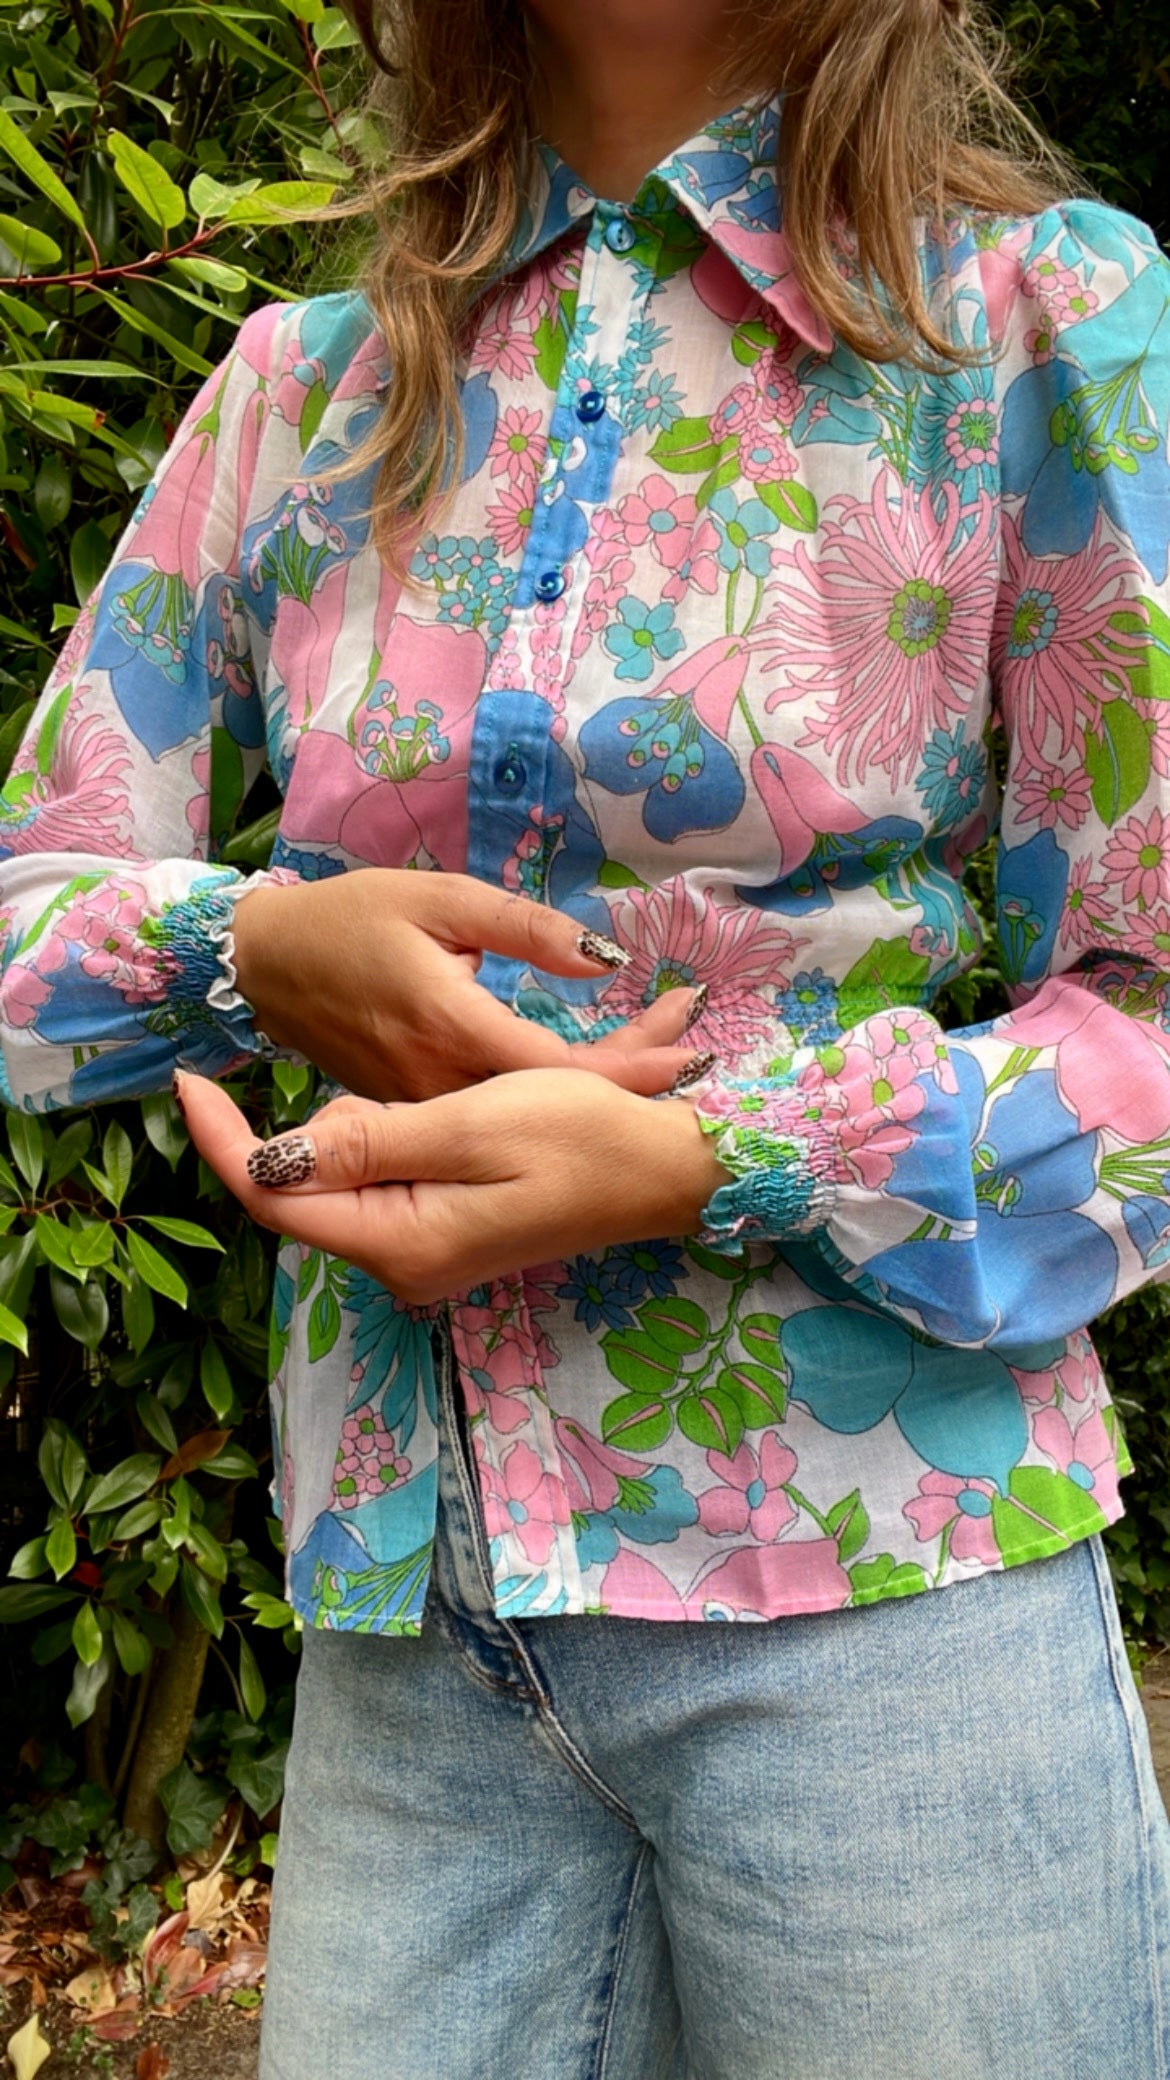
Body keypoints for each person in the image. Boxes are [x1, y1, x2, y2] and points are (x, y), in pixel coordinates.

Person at [3, 0, 1170, 2071]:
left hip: (886, 1599)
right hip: (420, 1646)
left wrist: (736, 1150)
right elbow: (29, 910)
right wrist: (250, 944)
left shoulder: (1035, 323)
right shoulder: (306, 390)